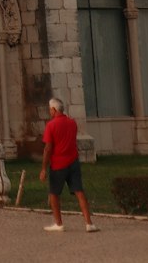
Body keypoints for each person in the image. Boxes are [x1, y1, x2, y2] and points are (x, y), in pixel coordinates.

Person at [40, 96, 98, 232]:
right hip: (73, 162)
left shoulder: (51, 125)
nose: (50, 112)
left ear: (54, 110)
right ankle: (89, 223)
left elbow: (48, 148)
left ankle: (58, 223)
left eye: (50, 109)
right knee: (79, 191)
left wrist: (43, 168)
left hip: (58, 164)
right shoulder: (72, 123)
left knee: (54, 194)